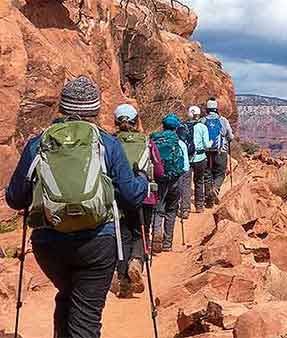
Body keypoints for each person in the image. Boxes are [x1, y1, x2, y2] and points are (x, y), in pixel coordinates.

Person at [6, 76, 148, 338]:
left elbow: (15, 199)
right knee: (86, 316)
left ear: (62, 107)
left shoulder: (39, 143)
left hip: (49, 242)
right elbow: (131, 197)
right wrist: (142, 181)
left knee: (67, 297)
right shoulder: (108, 144)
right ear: (95, 110)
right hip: (97, 242)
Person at [111, 104, 160, 298]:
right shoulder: (147, 142)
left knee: (123, 235)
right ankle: (137, 260)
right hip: (144, 195)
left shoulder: (111, 142)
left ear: (116, 121)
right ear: (136, 120)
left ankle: (123, 281)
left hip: (119, 196)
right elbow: (158, 170)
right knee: (141, 232)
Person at [150, 114, 189, 252]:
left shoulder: (154, 140)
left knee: (158, 208)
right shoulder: (180, 143)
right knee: (171, 210)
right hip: (175, 181)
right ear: (176, 127)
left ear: (163, 125)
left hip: (159, 180)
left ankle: (156, 235)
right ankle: (167, 243)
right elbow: (185, 168)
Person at [178, 106, 212, 217]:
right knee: (199, 181)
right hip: (200, 158)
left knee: (186, 183)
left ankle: (185, 209)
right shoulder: (202, 127)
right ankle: (199, 206)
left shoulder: (182, 126)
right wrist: (211, 142)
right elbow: (207, 145)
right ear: (198, 114)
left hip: (187, 158)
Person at [202, 98, 234, 208]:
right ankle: (215, 189)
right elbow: (230, 136)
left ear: (207, 109)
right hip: (220, 152)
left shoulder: (202, 121)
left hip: (206, 152)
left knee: (207, 175)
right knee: (220, 173)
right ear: (216, 109)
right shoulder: (223, 120)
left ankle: (208, 201)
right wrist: (228, 139)